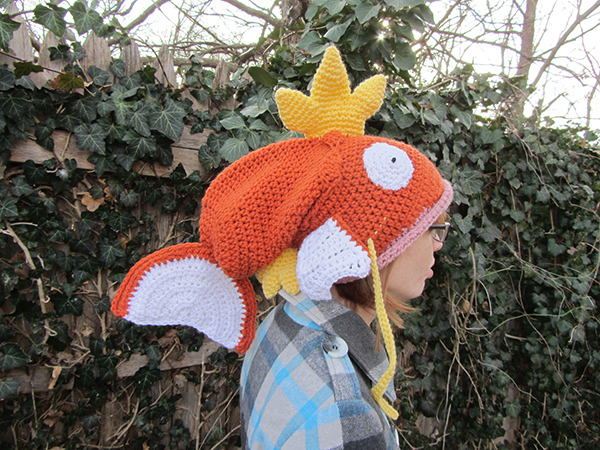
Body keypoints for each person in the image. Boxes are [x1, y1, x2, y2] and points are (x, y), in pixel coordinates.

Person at [110, 46, 453, 449]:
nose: (438, 245)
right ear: (360, 245)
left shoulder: (282, 323)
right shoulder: (343, 413)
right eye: (432, 228)